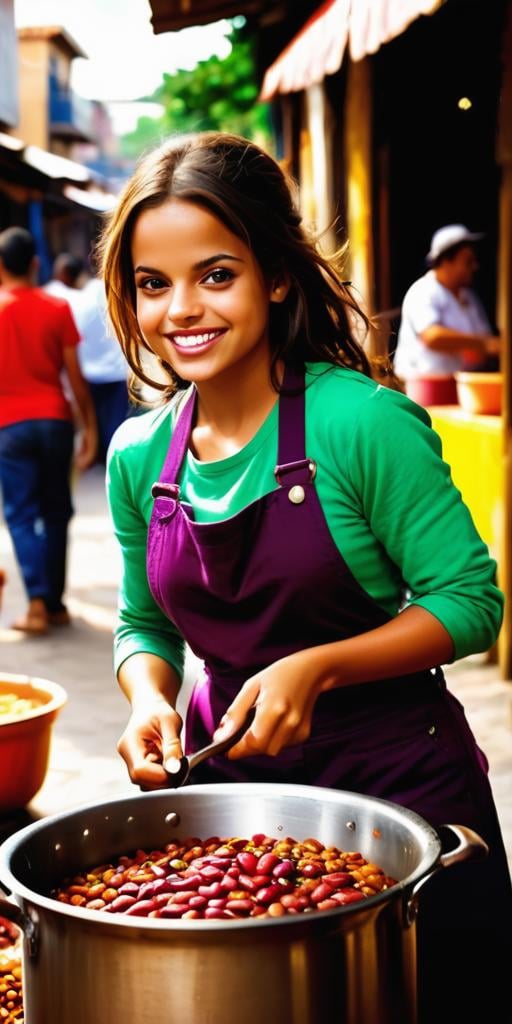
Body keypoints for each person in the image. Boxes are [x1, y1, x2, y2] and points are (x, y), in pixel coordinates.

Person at [101, 133, 511, 1022]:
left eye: (217, 275)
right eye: (151, 283)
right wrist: (147, 699)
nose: (182, 310)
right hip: (234, 797)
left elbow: (471, 602)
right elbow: (142, 624)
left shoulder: (362, 423)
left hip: (403, 786)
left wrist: (316, 666)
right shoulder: (138, 455)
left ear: (277, 277)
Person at [0, 227, 97, 634]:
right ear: (36, 264)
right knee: (57, 513)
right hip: (56, 420)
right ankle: (55, 604)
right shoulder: (56, 308)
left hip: (10, 426)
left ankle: (38, 603)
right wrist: (90, 427)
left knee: (21, 515)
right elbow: (75, 376)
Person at [393, 223, 500, 403]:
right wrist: (484, 343)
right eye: (467, 261)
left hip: (463, 387)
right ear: (446, 261)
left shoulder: (469, 298)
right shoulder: (424, 290)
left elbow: (485, 342)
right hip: (425, 389)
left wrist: (489, 346)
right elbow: (432, 336)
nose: (474, 266)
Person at [46, 253, 131, 464]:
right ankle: (117, 462)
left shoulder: (69, 301)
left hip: (89, 372)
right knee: (117, 423)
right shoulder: (106, 291)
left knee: (96, 419)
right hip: (115, 371)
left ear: (64, 275)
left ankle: (101, 457)